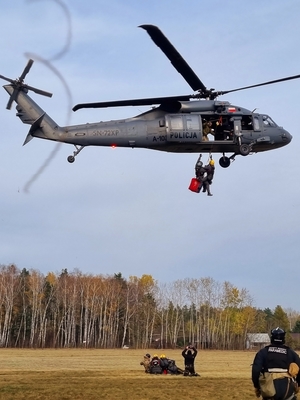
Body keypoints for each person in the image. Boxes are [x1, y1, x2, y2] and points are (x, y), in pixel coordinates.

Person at [252, 327, 300, 400]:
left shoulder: (263, 352)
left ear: (272, 338)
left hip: (268, 387)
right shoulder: (291, 353)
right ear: (283, 338)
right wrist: (298, 384)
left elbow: (256, 370)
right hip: (287, 389)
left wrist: (257, 386)